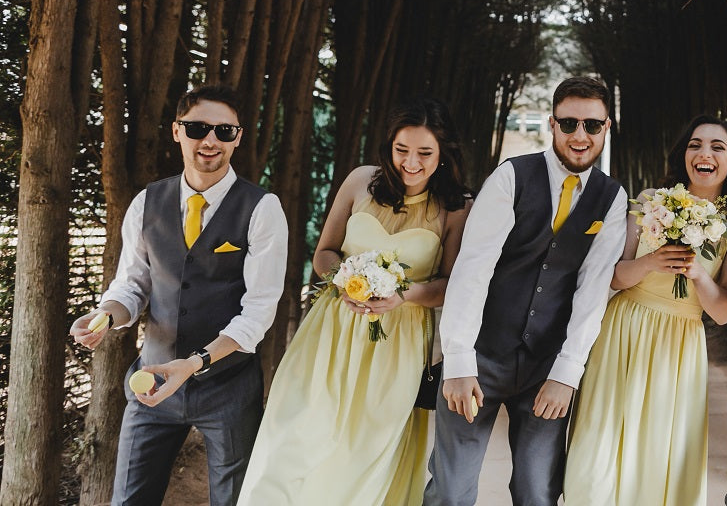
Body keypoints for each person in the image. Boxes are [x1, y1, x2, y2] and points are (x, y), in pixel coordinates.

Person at [236, 99, 472, 505]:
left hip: (397, 342)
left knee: (364, 449)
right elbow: (324, 252)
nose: (410, 163)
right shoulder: (360, 181)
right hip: (331, 330)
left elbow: (450, 285)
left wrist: (403, 295)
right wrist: (345, 280)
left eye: (424, 153)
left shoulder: (456, 207)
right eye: (402, 150)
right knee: (296, 436)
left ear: (444, 154)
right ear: (389, 147)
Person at [69, 85, 287, 505]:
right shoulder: (146, 203)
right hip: (150, 380)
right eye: (198, 128)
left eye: (224, 131)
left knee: (235, 500)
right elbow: (132, 284)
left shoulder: (263, 209)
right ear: (176, 131)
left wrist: (195, 363)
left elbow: (259, 310)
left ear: (238, 137)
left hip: (228, 386)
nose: (211, 140)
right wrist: (105, 316)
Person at [423, 76, 628, 506]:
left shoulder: (611, 198)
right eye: (568, 123)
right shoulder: (511, 177)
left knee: (538, 492)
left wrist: (566, 374)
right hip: (482, 356)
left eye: (592, 125)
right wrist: (459, 360)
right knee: (452, 491)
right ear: (551, 125)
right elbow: (472, 270)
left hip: (545, 368)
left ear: (606, 128)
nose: (579, 135)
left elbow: (593, 288)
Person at [564, 115, 727, 505]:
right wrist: (653, 262)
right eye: (695, 145)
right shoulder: (651, 201)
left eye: (717, 147)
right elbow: (615, 276)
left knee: (656, 456)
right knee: (595, 453)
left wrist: (698, 273)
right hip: (623, 331)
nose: (704, 154)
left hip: (679, 345)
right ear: (683, 154)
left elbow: (723, 312)